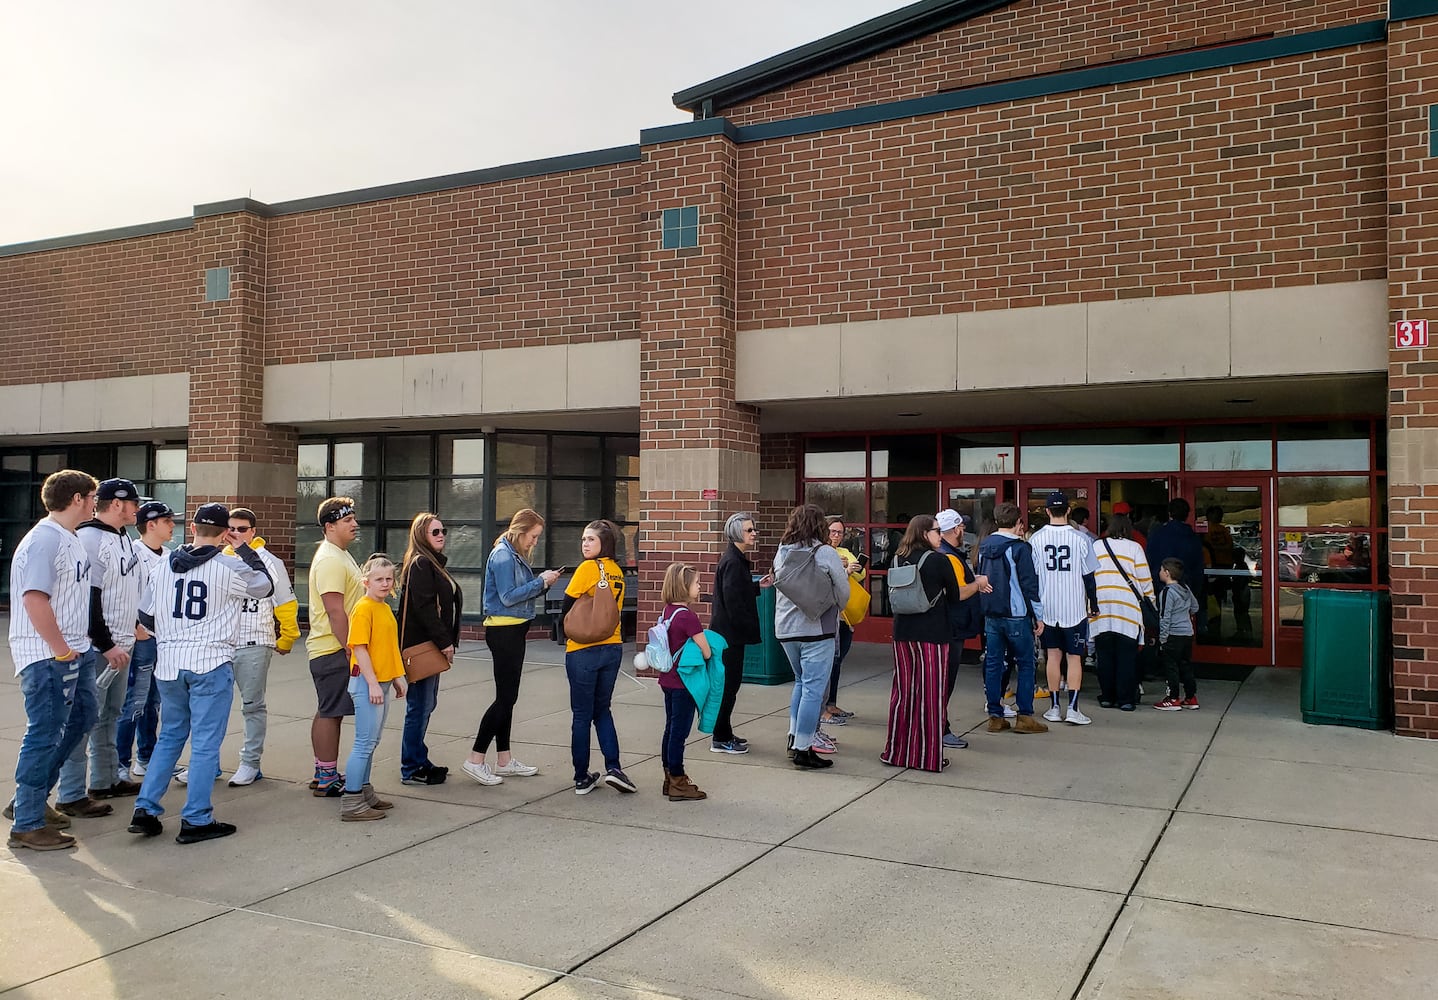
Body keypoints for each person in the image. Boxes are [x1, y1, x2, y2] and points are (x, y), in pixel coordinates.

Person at [128, 503, 273, 844]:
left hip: (169, 662)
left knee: (170, 737)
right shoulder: (229, 566)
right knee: (206, 743)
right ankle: (195, 817)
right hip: (210, 660)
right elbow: (264, 586)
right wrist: (244, 548)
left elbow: (145, 619)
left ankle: (146, 808)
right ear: (225, 533)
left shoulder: (163, 564)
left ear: (191, 528)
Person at [7, 470, 100, 850]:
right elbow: (34, 599)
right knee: (44, 734)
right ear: (77, 498)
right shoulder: (45, 540)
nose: (96, 503)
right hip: (48, 656)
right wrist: (60, 648)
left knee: (82, 719)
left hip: (74, 650)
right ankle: (27, 824)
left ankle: (30, 802)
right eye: (93, 497)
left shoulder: (70, 537)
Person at [57, 478, 144, 807]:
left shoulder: (123, 536)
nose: (137, 509)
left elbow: (122, 592)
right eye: (134, 503)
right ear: (118, 504)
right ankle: (72, 793)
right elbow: (89, 599)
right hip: (99, 648)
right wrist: (106, 644)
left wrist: (131, 627)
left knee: (110, 713)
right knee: (83, 719)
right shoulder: (91, 538)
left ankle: (105, 780)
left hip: (121, 644)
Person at [465, 508, 559, 786]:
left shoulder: (511, 553)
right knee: (505, 699)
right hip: (504, 630)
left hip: (512, 629)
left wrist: (540, 583)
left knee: (508, 697)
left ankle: (503, 760)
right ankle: (475, 758)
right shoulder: (505, 555)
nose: (535, 542)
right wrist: (541, 582)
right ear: (520, 531)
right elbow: (507, 597)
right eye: (533, 536)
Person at [882, 515, 980, 772]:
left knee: (903, 694)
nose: (940, 535)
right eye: (937, 531)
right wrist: (978, 583)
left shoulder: (897, 557)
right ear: (925, 533)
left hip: (903, 633)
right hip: (933, 635)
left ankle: (895, 751)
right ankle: (926, 756)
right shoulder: (939, 560)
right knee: (931, 696)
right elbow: (958, 596)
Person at [223, 507, 299, 787]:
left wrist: (287, 636)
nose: (236, 534)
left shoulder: (269, 561)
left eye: (242, 529)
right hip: (220, 644)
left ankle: (250, 763)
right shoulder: (218, 559)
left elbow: (285, 602)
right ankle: (206, 763)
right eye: (231, 528)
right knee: (211, 708)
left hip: (255, 641)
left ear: (253, 531)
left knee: (252, 705)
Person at [773, 503, 850, 770]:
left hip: (785, 630)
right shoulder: (825, 552)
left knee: (800, 683)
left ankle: (794, 738)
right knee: (813, 690)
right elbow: (844, 593)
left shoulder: (782, 551)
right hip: (817, 631)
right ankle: (803, 750)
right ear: (819, 525)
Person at [562, 519, 635, 795]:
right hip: (612, 647)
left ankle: (582, 776)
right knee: (602, 710)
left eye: (590, 539)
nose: (585, 544)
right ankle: (614, 768)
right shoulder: (617, 571)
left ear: (604, 543)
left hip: (583, 650)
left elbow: (568, 605)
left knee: (581, 715)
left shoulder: (588, 569)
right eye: (583, 539)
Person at [306, 496, 369, 796]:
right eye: (347, 520)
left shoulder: (340, 554)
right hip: (332, 649)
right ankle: (327, 776)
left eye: (354, 518)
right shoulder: (330, 558)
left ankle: (323, 771)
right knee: (331, 712)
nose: (354, 524)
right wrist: (351, 647)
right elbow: (335, 611)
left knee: (329, 710)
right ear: (329, 526)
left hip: (332, 648)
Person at [397, 512, 462, 786]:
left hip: (429, 645)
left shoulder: (431, 563)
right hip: (422, 647)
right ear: (421, 535)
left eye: (443, 531)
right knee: (419, 706)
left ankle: (418, 758)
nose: (441, 536)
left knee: (426, 704)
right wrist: (444, 641)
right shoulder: (421, 564)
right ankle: (411, 767)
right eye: (435, 532)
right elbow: (424, 609)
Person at [341, 554, 408, 821]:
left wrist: (395, 677)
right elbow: (359, 648)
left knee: (372, 741)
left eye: (388, 579)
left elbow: (386, 648)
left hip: (380, 681)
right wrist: (372, 684)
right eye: (378, 579)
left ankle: (364, 792)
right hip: (366, 683)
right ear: (366, 581)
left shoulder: (382, 607)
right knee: (363, 742)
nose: (384, 583)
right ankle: (352, 801)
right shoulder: (364, 607)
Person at [118, 500, 177, 784]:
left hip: (162, 638)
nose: (172, 525)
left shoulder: (169, 555)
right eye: (167, 521)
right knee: (135, 701)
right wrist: (133, 626)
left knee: (154, 701)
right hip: (143, 639)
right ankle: (120, 763)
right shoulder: (133, 553)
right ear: (150, 524)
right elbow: (122, 592)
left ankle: (146, 756)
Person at [976, 503, 1048, 735]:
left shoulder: (985, 545)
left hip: (991, 612)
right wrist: (1039, 615)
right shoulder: (1020, 548)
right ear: (1018, 522)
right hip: (1016, 614)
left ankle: (995, 715)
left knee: (995, 663)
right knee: (1026, 664)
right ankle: (1025, 716)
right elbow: (1029, 584)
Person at [1030, 492, 1099, 726]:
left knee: (1053, 656)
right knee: (1074, 658)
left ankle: (1054, 707)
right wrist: (1095, 604)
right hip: (1075, 608)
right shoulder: (1082, 538)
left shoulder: (1036, 539)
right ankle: (1073, 708)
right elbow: (1089, 577)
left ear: (1047, 511)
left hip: (1048, 607)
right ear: (1069, 511)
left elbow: (1033, 577)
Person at [709, 512, 773, 755]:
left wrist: (757, 586)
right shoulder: (733, 562)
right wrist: (747, 630)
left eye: (753, 529)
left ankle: (724, 731)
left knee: (730, 686)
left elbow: (736, 592)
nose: (754, 533)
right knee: (727, 687)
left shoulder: (735, 560)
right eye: (749, 530)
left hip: (728, 635)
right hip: (729, 637)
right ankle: (720, 736)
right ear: (736, 533)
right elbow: (733, 602)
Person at [1091, 511, 1155, 711]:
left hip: (1101, 609)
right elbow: (1145, 580)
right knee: (1127, 657)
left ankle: (1108, 696)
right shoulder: (1135, 547)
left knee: (1105, 657)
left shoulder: (1097, 546)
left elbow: (1088, 576)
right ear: (1128, 529)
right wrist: (1150, 602)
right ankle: (1126, 700)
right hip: (1128, 610)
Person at [657, 562, 710, 802]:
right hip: (684, 682)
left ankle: (669, 777)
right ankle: (678, 779)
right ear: (684, 586)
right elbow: (706, 651)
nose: (700, 587)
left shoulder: (668, 611)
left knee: (670, 728)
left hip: (667, 679)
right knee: (680, 732)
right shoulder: (688, 617)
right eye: (697, 583)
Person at [935, 509, 987, 748]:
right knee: (945, 682)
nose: (963, 531)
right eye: (961, 527)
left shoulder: (943, 553)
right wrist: (978, 583)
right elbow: (959, 592)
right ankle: (940, 728)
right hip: (951, 628)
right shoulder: (950, 557)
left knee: (940, 682)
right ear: (955, 529)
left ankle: (935, 726)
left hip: (945, 626)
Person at [822, 516, 866, 726]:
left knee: (838, 661)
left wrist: (853, 568)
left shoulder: (844, 553)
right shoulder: (820, 553)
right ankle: (822, 710)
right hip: (829, 615)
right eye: (832, 531)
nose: (836, 536)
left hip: (845, 615)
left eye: (840, 532)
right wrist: (842, 571)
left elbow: (861, 574)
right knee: (827, 663)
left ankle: (831, 703)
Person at [1147, 498, 1205, 624]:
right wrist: (1194, 592)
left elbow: (1149, 563)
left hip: (1160, 590)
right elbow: (1198, 569)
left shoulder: (1157, 534)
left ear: (1169, 513)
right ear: (1187, 515)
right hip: (1185, 590)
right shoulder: (1193, 538)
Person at [1153, 559, 1200, 711]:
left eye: (1161, 570)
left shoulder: (1167, 592)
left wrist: (1163, 638)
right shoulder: (1184, 588)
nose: (1159, 572)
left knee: (1171, 667)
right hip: (1187, 633)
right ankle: (1190, 697)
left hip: (1173, 634)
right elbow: (1195, 607)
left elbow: (1165, 616)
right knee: (1186, 665)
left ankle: (1173, 697)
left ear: (1167, 573)